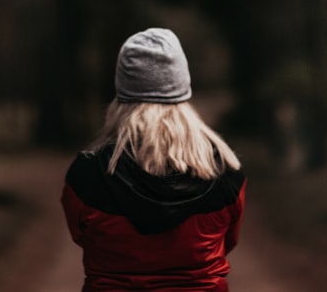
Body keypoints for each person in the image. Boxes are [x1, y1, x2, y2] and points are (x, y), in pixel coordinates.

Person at [61, 28, 247, 292]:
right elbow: (227, 241)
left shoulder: (86, 176)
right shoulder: (226, 173)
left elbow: (81, 236)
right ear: (183, 90)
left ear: (121, 94)